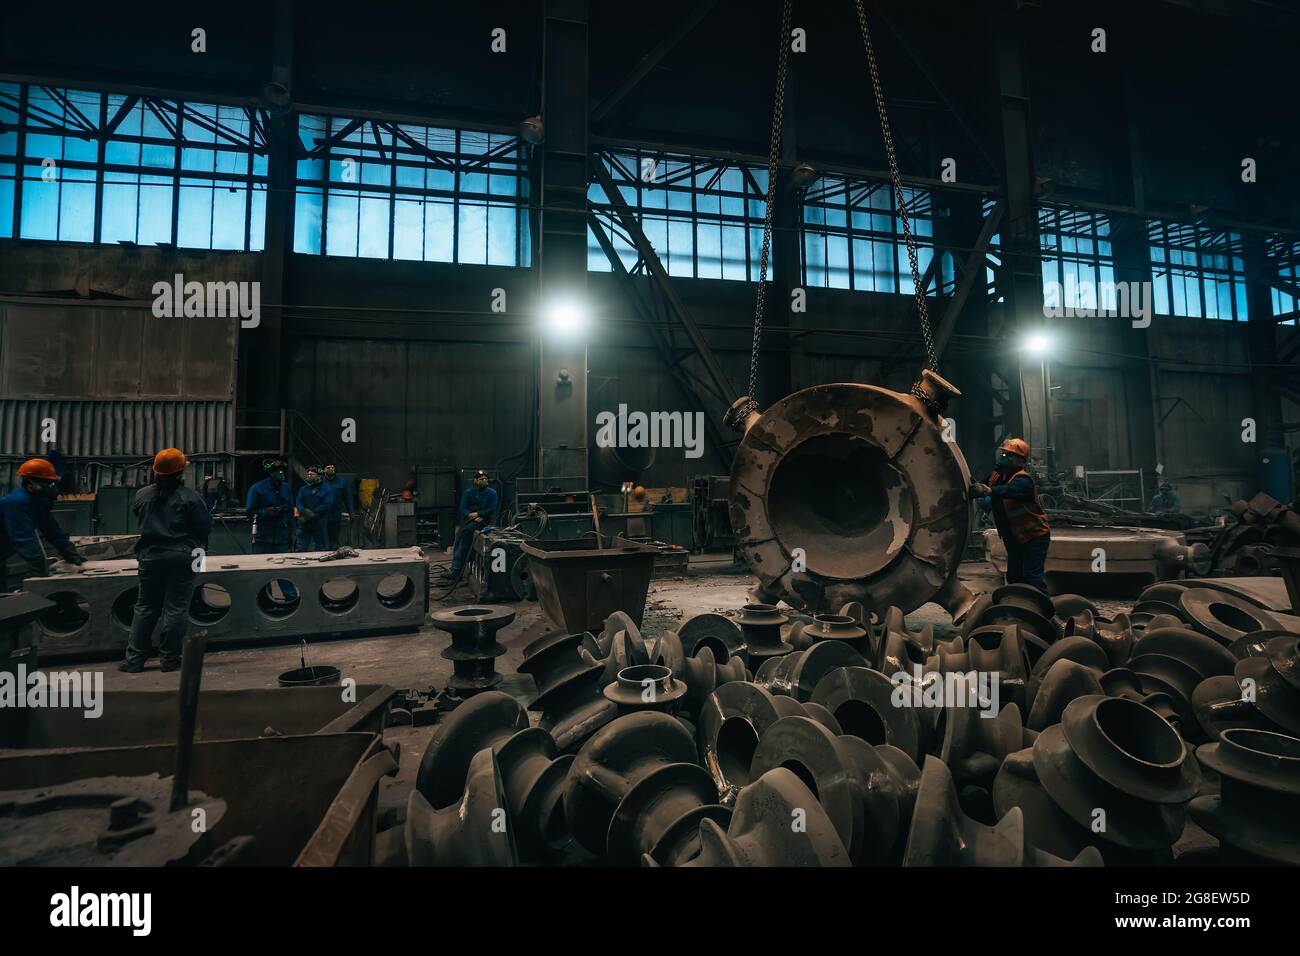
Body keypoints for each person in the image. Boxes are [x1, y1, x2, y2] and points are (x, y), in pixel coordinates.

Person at [121, 448, 211, 673]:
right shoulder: (190, 497)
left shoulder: (142, 495)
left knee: (145, 607)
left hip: (150, 557)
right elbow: (204, 527)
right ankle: (169, 660)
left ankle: (134, 661)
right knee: (176, 608)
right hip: (182, 556)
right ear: (180, 472)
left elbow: (139, 517)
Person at [970, 438, 1052, 593]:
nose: (1003, 457)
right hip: (1013, 537)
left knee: (1032, 578)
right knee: (1015, 576)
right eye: (1003, 453)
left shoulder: (1023, 479)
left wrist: (989, 491)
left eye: (1009, 455)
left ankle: (1042, 611)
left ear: (1020, 461)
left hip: (1033, 536)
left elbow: (1010, 491)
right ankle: (1020, 607)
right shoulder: (995, 476)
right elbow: (978, 485)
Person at [0, 458, 83, 592]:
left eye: (52, 483)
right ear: (30, 484)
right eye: (47, 484)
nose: (52, 487)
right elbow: (23, 538)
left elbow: (52, 531)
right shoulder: (16, 503)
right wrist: (38, 568)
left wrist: (71, 555)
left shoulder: (38, 502)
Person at [444, 469, 498, 581]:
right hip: (469, 520)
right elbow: (463, 508)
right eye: (481, 479)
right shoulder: (468, 493)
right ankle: (456, 569)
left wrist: (480, 514)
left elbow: (492, 508)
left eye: (485, 479)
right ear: (475, 481)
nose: (484, 480)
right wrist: (471, 515)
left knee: (465, 534)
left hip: (483, 521)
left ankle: (457, 571)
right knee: (459, 537)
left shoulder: (492, 493)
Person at [246, 459, 295, 554]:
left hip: (281, 538)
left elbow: (290, 513)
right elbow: (249, 512)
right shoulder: (256, 489)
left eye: (282, 470)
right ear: (270, 473)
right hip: (263, 539)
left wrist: (292, 534)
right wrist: (266, 512)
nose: (280, 473)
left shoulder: (286, 488)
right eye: (277, 471)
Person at [295, 467, 334, 552]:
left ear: (319, 476)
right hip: (305, 524)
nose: (309, 476)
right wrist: (304, 511)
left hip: (319, 523)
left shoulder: (327, 489)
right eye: (308, 474)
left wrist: (314, 513)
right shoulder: (303, 489)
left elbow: (327, 504)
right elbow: (298, 502)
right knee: (301, 547)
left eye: (311, 474)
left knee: (320, 548)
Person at [321, 464, 355, 549]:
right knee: (322, 540)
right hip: (322, 516)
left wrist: (351, 512)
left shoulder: (342, 482)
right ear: (324, 470)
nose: (331, 469)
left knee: (335, 540)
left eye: (332, 467)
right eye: (328, 468)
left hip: (336, 516)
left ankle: (335, 556)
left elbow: (348, 499)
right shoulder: (320, 482)